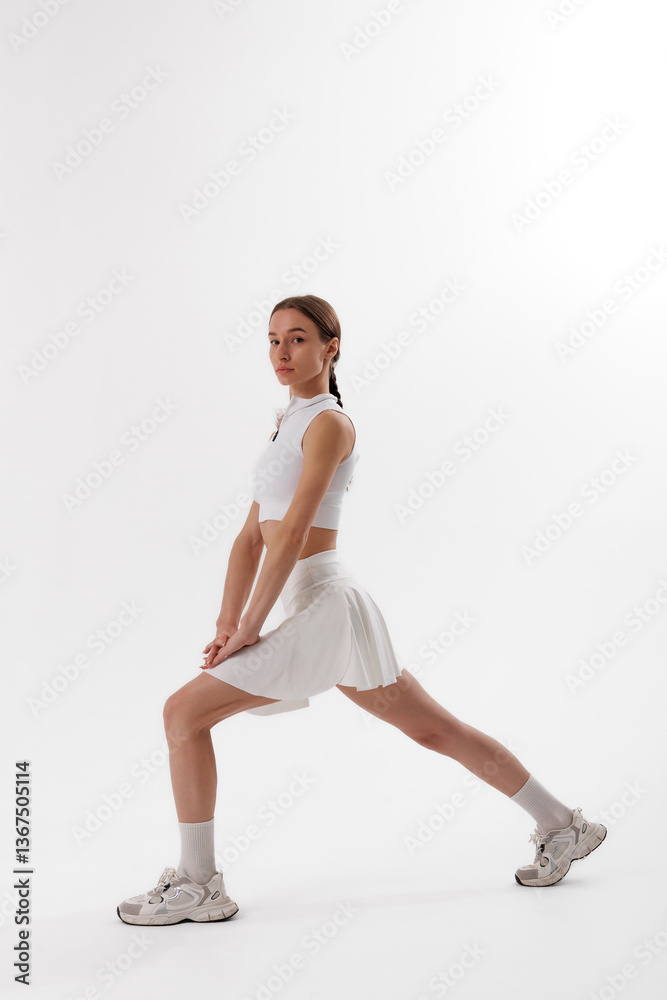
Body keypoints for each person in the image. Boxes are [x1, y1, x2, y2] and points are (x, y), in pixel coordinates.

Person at [117, 294, 607, 926]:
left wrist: (251, 628)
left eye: (297, 338)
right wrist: (226, 624)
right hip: (313, 605)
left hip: (325, 604)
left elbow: (293, 534)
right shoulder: (286, 423)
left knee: (182, 714)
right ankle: (563, 824)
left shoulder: (329, 423)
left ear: (331, 347)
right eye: (272, 340)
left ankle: (198, 883)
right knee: (433, 729)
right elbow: (249, 538)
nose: (281, 352)